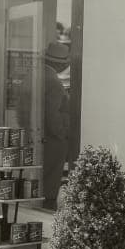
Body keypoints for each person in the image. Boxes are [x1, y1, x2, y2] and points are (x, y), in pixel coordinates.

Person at [40, 42, 71, 207]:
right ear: (60, 63)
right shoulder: (53, 81)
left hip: (45, 138)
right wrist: (62, 135)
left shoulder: (41, 76)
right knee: (50, 184)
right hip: (53, 141)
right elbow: (53, 115)